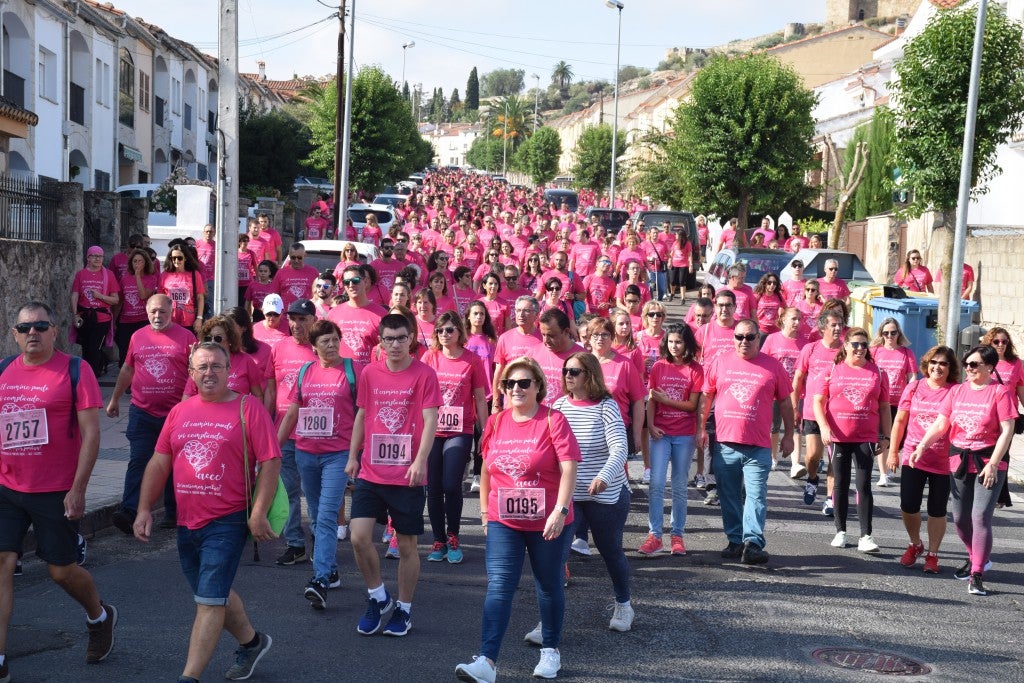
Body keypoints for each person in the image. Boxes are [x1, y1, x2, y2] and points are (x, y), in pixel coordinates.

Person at [134, 341, 278, 682]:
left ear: (229, 371)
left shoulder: (248, 408)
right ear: (191, 373)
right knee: (213, 591)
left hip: (228, 519)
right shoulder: (179, 412)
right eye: (202, 367)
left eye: (216, 366)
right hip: (187, 521)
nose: (209, 372)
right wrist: (143, 509)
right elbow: (159, 462)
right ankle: (252, 643)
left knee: (210, 600)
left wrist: (258, 513)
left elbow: (271, 462)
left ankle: (190, 676)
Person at [0, 302, 117, 679]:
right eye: (24, 328)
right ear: (15, 334)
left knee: (61, 571)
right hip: (7, 487)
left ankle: (99, 615)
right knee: (2, 563)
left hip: (54, 489)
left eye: (40, 326)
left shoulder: (75, 369)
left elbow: (92, 434)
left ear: (54, 331)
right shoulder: (3, 370)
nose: (32, 332)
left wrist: (78, 489)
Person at [454, 358, 580, 683]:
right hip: (504, 520)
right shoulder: (496, 421)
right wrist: (485, 513)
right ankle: (486, 661)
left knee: (548, 585)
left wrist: (560, 510)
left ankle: (550, 651)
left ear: (538, 386)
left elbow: (569, 467)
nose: (516, 389)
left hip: (548, 521)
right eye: (510, 384)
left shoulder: (553, 420)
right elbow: (486, 470)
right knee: (499, 587)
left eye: (524, 383)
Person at [345, 314, 441, 637]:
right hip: (371, 471)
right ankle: (378, 596)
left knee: (407, 546)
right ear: (381, 342)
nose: (395, 344)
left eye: (401, 338)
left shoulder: (425, 374)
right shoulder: (370, 373)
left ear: (411, 338)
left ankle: (404, 609)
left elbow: (431, 420)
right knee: (358, 536)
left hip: (407, 475)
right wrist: (352, 456)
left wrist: (420, 460)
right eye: (389, 339)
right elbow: (362, 415)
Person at [910, 345, 1016, 596]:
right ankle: (976, 557)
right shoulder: (957, 391)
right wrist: (922, 446)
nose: (968, 368)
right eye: (966, 363)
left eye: (974, 364)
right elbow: (941, 423)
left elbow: (1007, 430)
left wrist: (993, 464)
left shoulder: (999, 392)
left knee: (980, 516)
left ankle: (977, 573)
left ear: (989, 367)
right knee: (959, 519)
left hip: (989, 461)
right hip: (959, 459)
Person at [276, 320, 362, 610]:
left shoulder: (353, 371)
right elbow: (292, 414)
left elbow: (365, 412)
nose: (332, 345)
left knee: (326, 516)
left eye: (335, 339)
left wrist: (357, 454)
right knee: (314, 514)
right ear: (314, 346)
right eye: (325, 341)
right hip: (306, 453)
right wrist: (273, 450)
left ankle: (320, 579)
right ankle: (332, 570)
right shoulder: (305, 372)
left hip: (338, 455)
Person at [697, 319, 795, 564]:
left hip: (758, 446)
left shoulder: (773, 366)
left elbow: (785, 402)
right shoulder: (720, 362)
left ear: (758, 338)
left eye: (750, 337)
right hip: (725, 443)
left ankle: (753, 543)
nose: (744, 341)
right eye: (739, 337)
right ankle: (735, 540)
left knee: (756, 495)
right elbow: (706, 396)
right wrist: (701, 428)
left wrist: (789, 435)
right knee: (728, 495)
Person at [551, 353, 633, 632]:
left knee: (610, 551)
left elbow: (620, 448)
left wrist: (604, 477)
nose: (568, 375)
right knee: (555, 556)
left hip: (606, 496)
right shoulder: (559, 407)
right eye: (566, 370)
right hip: (569, 496)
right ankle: (548, 620)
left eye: (574, 371)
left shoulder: (606, 407)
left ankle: (624, 604)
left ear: (590, 375)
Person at [107, 294, 196, 533]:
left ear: (171, 312)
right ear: (147, 312)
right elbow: (127, 369)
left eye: (162, 312)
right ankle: (129, 511)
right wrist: (114, 398)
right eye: (153, 311)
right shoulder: (138, 336)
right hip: (142, 412)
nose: (157, 316)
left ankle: (174, 512)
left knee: (174, 464)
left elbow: (195, 374)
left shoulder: (187, 338)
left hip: (175, 414)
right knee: (139, 460)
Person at [814, 327, 891, 553]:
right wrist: (824, 427)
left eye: (864, 345)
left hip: (865, 436)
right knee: (840, 482)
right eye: (855, 344)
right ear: (846, 345)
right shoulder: (832, 370)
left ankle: (866, 536)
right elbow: (818, 401)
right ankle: (840, 531)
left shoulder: (877, 372)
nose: (860, 348)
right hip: (838, 436)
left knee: (863, 484)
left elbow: (885, 407)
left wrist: (886, 436)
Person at [422, 313, 488, 565]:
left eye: (449, 330)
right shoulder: (430, 357)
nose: (444, 334)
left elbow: (480, 398)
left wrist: (485, 432)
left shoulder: (471, 360)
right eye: (440, 330)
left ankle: (453, 536)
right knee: (433, 487)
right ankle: (438, 540)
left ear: (460, 332)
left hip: (460, 430)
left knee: (451, 485)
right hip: (432, 429)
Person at [886, 346, 959, 574]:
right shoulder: (914, 387)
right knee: (908, 505)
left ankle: (933, 554)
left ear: (950, 368)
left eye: (943, 363)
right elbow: (900, 421)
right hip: (912, 456)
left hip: (943, 460)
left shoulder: (955, 391)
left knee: (937, 510)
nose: (938, 367)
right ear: (927, 364)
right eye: (934, 362)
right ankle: (915, 543)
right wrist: (893, 451)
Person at [264, 299, 318, 566]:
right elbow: (271, 389)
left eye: (302, 319)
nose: (296, 324)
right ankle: (295, 544)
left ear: (314, 321)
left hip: (313, 433)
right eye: (293, 319)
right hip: (283, 433)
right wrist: (266, 423)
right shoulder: (279, 348)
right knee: (288, 491)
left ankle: (320, 540)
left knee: (314, 492)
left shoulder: (321, 349)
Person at [641, 323, 703, 556]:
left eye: (678, 341)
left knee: (679, 487)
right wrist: (651, 425)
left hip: (684, 434)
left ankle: (677, 535)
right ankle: (655, 536)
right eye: (670, 341)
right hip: (661, 433)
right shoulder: (658, 367)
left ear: (687, 343)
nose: (674, 346)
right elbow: (652, 400)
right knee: (656, 484)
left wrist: (666, 400)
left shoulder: (696, 369)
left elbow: (692, 405)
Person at [792, 309, 845, 514]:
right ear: (823, 328)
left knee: (835, 459)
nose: (838, 328)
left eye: (840, 324)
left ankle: (831, 499)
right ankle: (813, 478)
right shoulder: (810, 348)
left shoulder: (845, 350)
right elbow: (798, 379)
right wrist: (794, 407)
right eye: (833, 325)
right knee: (813, 456)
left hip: (838, 414)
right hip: (812, 411)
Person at [761, 307, 809, 475]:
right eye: (793, 319)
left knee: (796, 426)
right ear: (783, 319)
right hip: (775, 391)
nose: (797, 322)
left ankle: (795, 464)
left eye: (799, 319)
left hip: (797, 391)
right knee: (774, 426)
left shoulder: (805, 342)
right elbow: (763, 362)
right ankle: (773, 457)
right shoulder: (772, 339)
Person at [870, 318, 917, 487]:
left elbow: (912, 377)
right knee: (883, 437)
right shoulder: (875, 351)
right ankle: (883, 474)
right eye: (886, 333)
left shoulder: (906, 353)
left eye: (893, 332)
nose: (889, 336)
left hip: (900, 402)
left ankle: (891, 463)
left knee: (897, 438)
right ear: (881, 334)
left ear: (899, 333)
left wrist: (910, 397)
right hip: (881, 402)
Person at [982, 327, 1024, 508]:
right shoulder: (982, 361)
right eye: (996, 341)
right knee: (988, 452)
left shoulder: (1016, 364)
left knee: (1003, 454)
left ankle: (1000, 495)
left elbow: (1021, 391)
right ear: (989, 343)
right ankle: (985, 487)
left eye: (1004, 341)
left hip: (1008, 417)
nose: (1000, 345)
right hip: (986, 415)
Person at [184, 316, 264, 402]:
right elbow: (187, 398)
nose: (212, 342)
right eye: (208, 339)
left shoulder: (246, 361)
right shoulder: (200, 362)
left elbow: (258, 395)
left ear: (230, 340)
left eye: (218, 339)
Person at [71, 246, 120, 378]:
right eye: (94, 256)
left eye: (100, 256)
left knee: (94, 347)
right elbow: (75, 295)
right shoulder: (81, 274)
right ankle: (100, 364)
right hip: (84, 317)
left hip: (102, 318)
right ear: (88, 258)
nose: (98, 259)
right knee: (86, 347)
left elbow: (115, 300)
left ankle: (92, 376)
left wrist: (99, 296)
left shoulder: (109, 275)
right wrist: (75, 315)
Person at [327, 264, 388, 364]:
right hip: (341, 370)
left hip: (369, 371)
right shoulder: (333, 314)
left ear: (365, 281)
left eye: (355, 280)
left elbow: (387, 348)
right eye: (346, 282)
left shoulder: (382, 314)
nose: (351, 285)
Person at [491, 296, 543, 410]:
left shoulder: (543, 338)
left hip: (536, 403)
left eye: (526, 311)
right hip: (511, 403)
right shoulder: (505, 338)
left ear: (536, 314)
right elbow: (498, 372)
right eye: (518, 310)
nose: (521, 314)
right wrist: (496, 402)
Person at [113, 248, 158, 369]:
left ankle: (140, 374)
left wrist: (137, 276)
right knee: (124, 351)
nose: (137, 264)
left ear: (145, 263)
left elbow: (143, 295)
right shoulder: (125, 279)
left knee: (142, 350)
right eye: (135, 261)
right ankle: (124, 376)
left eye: (140, 261)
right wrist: (114, 320)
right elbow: (120, 300)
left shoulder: (151, 279)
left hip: (142, 320)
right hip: (125, 321)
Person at [528, 309, 582, 408]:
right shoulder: (533, 353)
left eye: (551, 335)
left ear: (566, 331)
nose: (546, 340)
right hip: (538, 413)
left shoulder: (583, 357)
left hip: (568, 415)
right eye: (543, 334)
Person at [161, 244, 206, 337]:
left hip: (189, 320)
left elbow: (200, 298)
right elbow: (161, 297)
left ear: (185, 258)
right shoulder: (164, 275)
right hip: (170, 319)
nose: (176, 261)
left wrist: (199, 318)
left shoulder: (194, 274)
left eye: (179, 258)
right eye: (173, 258)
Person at [273, 244, 320, 312]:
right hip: (286, 315)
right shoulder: (281, 273)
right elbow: (274, 296)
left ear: (305, 255)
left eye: (299, 257)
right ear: (289, 256)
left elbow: (318, 296)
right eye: (293, 257)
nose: (296, 260)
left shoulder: (313, 272)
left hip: (306, 314)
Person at [753, 273, 786, 338]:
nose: (772, 285)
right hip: (761, 329)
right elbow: (752, 310)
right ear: (764, 283)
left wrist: (781, 319)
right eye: (769, 283)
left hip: (775, 330)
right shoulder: (758, 295)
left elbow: (786, 309)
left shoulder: (778, 296)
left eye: (774, 283)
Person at [195, 224, 217, 319]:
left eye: (211, 231)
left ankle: (209, 321)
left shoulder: (217, 245)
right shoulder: (197, 244)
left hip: (211, 277)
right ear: (203, 232)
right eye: (207, 231)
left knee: (209, 302)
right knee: (198, 300)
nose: (208, 233)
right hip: (198, 277)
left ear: (214, 233)